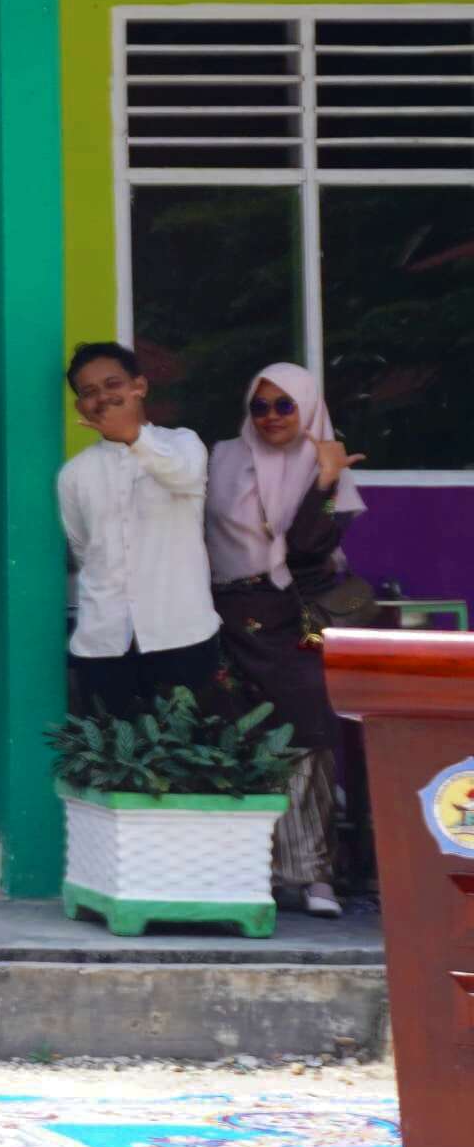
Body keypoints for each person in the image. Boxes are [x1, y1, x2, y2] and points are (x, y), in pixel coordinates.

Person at [207, 363, 367, 916]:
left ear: (307, 407)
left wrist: (324, 480)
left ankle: (314, 873)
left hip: (294, 616)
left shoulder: (328, 464)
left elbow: (304, 548)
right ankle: (259, 871)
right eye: (260, 405)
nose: (271, 417)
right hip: (230, 611)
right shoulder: (222, 458)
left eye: (284, 405)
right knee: (245, 739)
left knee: (307, 740)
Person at [61, 341, 221, 718]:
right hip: (103, 644)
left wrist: (133, 437)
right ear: (80, 406)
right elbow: (84, 549)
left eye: (112, 384)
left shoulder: (183, 444)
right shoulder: (75, 473)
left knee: (186, 768)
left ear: (140, 386)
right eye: (89, 392)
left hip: (182, 635)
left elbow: (182, 476)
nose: (102, 397)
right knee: (109, 766)